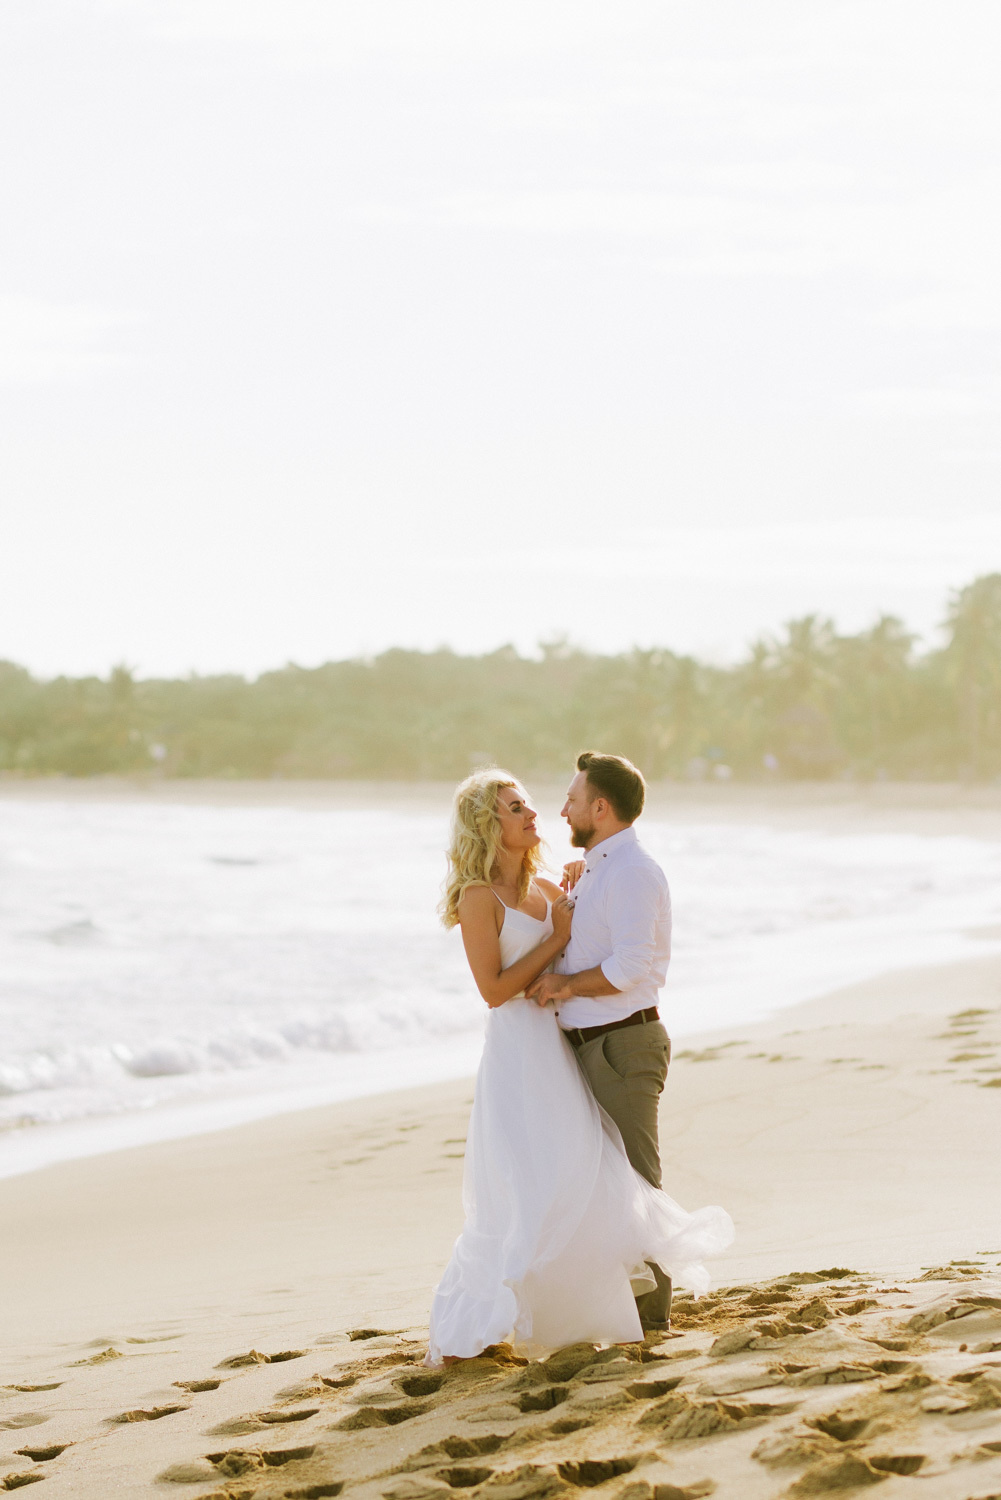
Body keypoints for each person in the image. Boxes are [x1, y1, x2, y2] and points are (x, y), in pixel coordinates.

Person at [425, 766, 732, 1366]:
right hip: (518, 1052)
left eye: (532, 804)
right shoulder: (476, 897)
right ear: (489, 824)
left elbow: (593, 944)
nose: (535, 814)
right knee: (523, 1181)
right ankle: (496, 1311)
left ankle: (585, 1307)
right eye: (516, 808)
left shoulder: (546, 887)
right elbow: (493, 990)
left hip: (563, 1049)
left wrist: (574, 891)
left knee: (580, 1177)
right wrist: (554, 936)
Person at [527, 750, 675, 1329]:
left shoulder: (634, 870)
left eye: (571, 799)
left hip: (623, 1043)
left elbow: (633, 964)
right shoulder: (599, 868)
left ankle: (652, 1317)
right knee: (601, 1183)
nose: (562, 809)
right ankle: (615, 1306)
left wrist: (564, 984)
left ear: (601, 807)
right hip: (590, 1045)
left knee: (637, 1178)